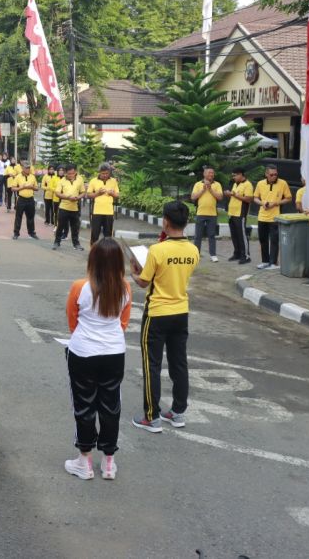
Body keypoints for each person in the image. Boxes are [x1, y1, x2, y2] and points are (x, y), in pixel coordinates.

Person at [63, 238, 132, 480]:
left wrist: (84, 338)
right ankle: (109, 462)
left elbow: (73, 320)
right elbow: (123, 322)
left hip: (83, 352)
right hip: (114, 352)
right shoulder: (124, 287)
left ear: (93, 261)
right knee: (111, 406)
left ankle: (84, 461)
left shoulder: (79, 286)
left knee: (84, 405)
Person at [129, 201, 199, 433]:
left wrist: (133, 271)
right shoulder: (193, 250)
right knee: (179, 363)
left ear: (165, 221)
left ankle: (152, 416)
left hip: (158, 312)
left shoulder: (157, 250)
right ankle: (178, 412)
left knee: (152, 365)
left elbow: (143, 282)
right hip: (181, 311)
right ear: (186, 222)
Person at [253, 165, 292, 270]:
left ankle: (273, 263)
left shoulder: (282, 183)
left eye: (275, 174)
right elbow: (255, 198)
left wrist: (276, 203)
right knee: (263, 239)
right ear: (266, 174)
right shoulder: (260, 183)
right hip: (262, 216)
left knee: (274, 240)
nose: (274, 176)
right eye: (271, 175)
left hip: (275, 217)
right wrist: (262, 203)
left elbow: (289, 198)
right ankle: (265, 261)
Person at [191, 166, 223, 262]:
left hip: (212, 214)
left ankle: (213, 255)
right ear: (204, 174)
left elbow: (220, 197)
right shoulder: (198, 184)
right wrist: (203, 189)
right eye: (209, 173)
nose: (211, 174)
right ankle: (196, 254)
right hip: (200, 213)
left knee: (212, 235)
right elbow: (193, 197)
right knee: (198, 235)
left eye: (212, 173)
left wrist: (210, 189)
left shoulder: (217, 184)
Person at [224, 168, 253, 264]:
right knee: (234, 235)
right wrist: (229, 194)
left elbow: (248, 199)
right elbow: (234, 195)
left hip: (240, 214)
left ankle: (246, 256)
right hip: (232, 213)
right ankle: (237, 253)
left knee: (242, 235)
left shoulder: (247, 184)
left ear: (241, 174)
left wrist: (234, 194)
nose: (233, 177)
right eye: (233, 175)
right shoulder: (235, 184)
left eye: (235, 175)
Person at [53, 164, 85, 250]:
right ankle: (57, 242)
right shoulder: (62, 180)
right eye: (69, 173)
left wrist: (78, 197)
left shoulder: (80, 179)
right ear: (65, 173)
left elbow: (83, 192)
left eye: (73, 173)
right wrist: (67, 197)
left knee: (75, 227)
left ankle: (76, 244)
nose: (71, 175)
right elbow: (57, 193)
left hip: (75, 208)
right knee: (60, 226)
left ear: (75, 172)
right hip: (64, 207)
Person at [87, 163, 119, 245]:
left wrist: (112, 194)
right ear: (99, 172)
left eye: (107, 173)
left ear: (109, 172)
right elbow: (88, 195)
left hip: (109, 212)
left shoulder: (113, 181)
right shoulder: (93, 181)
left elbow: (117, 195)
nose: (105, 175)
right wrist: (98, 193)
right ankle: (93, 252)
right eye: (103, 173)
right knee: (95, 234)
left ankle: (107, 253)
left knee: (108, 235)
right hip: (96, 212)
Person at [12, 162, 39, 239]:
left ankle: (31, 233)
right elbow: (13, 188)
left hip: (30, 199)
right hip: (21, 199)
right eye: (26, 168)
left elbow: (37, 188)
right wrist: (21, 188)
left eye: (28, 168)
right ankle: (16, 233)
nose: (28, 169)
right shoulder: (18, 177)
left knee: (30, 217)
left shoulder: (32, 177)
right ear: (23, 168)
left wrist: (32, 187)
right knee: (18, 216)